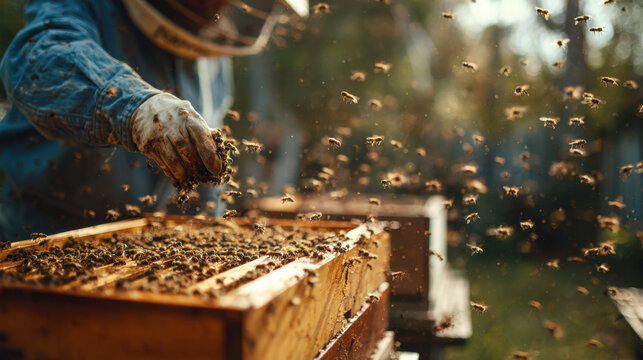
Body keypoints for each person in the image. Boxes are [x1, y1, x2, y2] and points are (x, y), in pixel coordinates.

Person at [0, 0, 308, 242]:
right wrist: (132, 105)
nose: (219, 6)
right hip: (47, 238)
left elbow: (202, 162)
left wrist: (211, 230)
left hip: (146, 247)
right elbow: (39, 56)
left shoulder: (212, 50)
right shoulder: (84, 4)